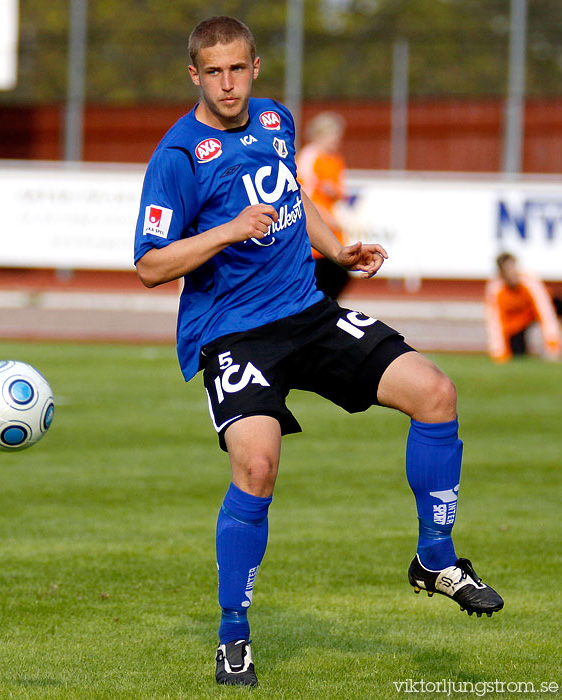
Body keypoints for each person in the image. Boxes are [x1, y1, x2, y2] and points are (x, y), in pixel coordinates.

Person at [134, 16, 503, 687]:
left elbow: (292, 197)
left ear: (255, 68)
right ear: (194, 74)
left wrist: (337, 248)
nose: (227, 83)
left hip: (308, 314)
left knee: (436, 392)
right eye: (213, 71)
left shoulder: (275, 121)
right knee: (257, 465)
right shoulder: (179, 158)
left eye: (237, 69)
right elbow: (152, 266)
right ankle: (233, 636)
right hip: (233, 334)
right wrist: (225, 232)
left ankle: (436, 560)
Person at [296, 111, 351, 299]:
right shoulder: (309, 157)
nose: (336, 140)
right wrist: (323, 216)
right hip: (314, 223)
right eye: (332, 135)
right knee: (325, 273)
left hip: (332, 225)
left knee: (338, 274)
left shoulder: (336, 160)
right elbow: (303, 193)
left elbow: (338, 191)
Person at [485, 252, 560, 362]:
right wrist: (499, 352)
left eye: (512, 268)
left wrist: (552, 346)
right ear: (501, 273)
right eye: (507, 270)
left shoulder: (530, 282)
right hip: (517, 322)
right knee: (518, 353)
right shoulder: (495, 289)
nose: (511, 273)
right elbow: (494, 322)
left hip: (535, 313)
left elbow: (545, 312)